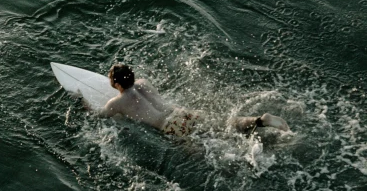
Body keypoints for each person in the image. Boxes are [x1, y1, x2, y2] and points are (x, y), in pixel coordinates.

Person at [97, 63, 289, 137]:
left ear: (116, 83)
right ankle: (260, 121)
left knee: (212, 143)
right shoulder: (143, 82)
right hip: (181, 112)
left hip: (170, 126)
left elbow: (101, 115)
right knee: (226, 124)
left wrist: (82, 101)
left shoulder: (117, 103)